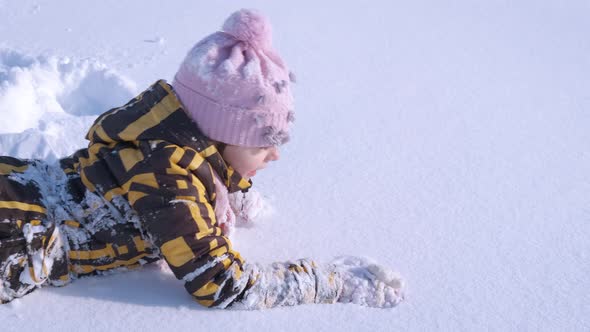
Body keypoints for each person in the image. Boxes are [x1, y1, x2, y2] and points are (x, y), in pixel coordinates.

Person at [0, 9, 404, 309]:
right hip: (17, 236)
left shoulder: (164, 122)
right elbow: (223, 285)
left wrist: (235, 185)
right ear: (218, 136)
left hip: (28, 184)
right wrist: (327, 283)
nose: (275, 155)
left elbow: (217, 164)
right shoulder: (168, 180)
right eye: (262, 144)